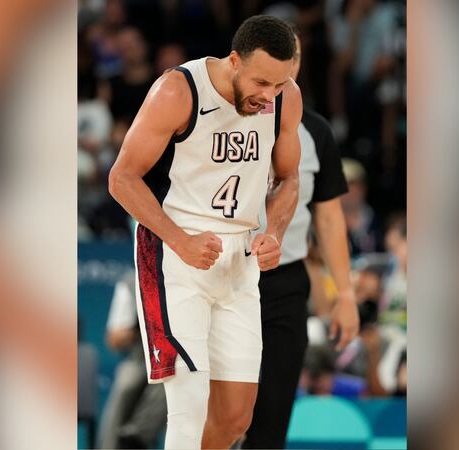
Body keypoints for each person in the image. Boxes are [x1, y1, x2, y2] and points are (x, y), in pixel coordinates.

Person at [107, 15, 301, 450]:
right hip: (175, 251)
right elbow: (122, 178)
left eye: (279, 84)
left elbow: (289, 179)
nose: (269, 97)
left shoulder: (286, 98)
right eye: (261, 83)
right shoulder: (178, 90)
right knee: (189, 407)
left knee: (235, 418)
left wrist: (276, 232)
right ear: (234, 61)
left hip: (239, 259)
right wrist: (179, 239)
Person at [243, 27, 360, 449]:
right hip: (222, 276)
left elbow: (329, 220)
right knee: (216, 414)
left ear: (297, 63)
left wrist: (345, 295)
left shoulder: (316, 132)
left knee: (272, 415)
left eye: (290, 56)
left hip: (285, 283)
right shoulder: (213, 116)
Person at [96, 272, 167, 449]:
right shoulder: (131, 281)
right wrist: (143, 327)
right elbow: (115, 339)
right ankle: (111, 445)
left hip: (176, 357)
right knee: (127, 382)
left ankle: (136, 436)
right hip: (140, 355)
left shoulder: (190, 273)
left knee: (173, 379)